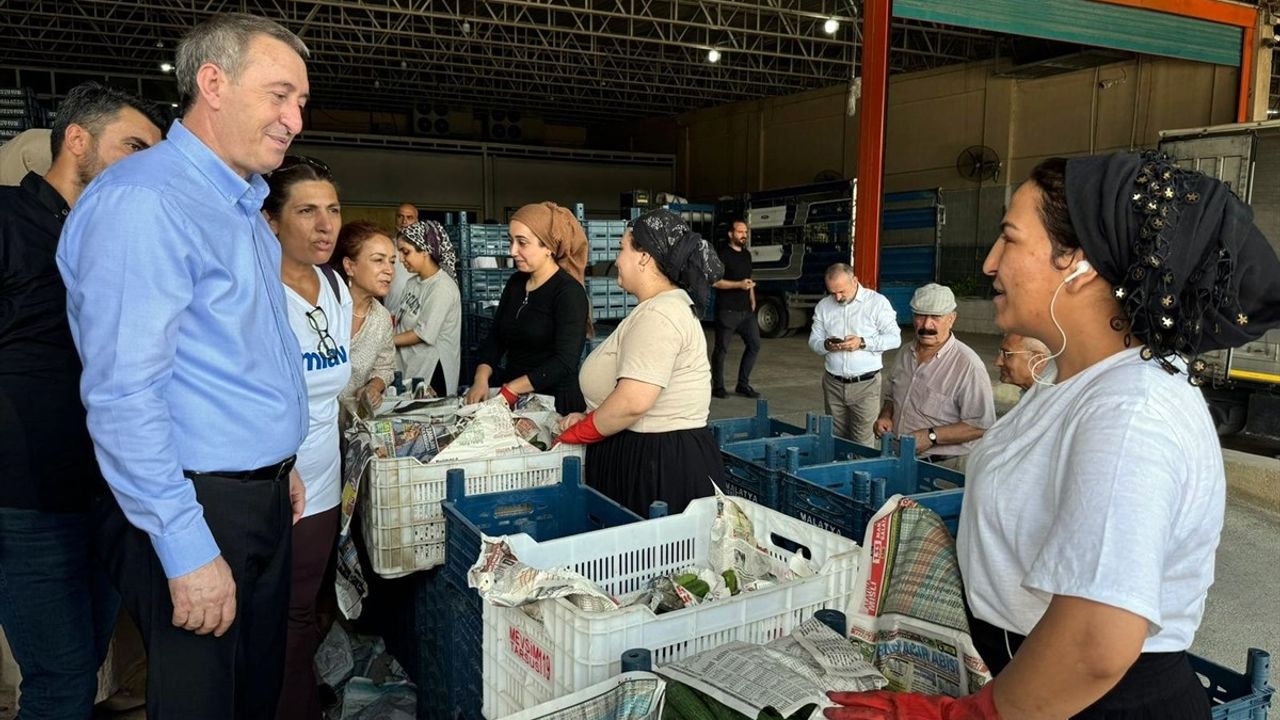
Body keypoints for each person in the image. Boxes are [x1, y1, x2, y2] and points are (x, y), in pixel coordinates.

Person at [831, 152, 1280, 719]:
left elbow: (1096, 641)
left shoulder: (1130, 411)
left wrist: (966, 717)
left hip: (1084, 701)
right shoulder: (1069, 381)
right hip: (1029, 683)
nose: (991, 263)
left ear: (1080, 264)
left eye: (1010, 239)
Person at [55, 13, 311, 719]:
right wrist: (185, 545)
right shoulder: (147, 201)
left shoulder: (239, 206)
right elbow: (124, 392)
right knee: (202, 701)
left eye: (301, 103)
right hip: (194, 504)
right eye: (280, 95)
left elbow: (233, 357)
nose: (294, 119)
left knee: (252, 693)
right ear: (212, 84)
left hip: (251, 496)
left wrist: (276, 464)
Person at [0, 81, 163, 720]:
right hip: (29, 496)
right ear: (77, 140)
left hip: (107, 492)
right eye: (133, 146)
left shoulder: (113, 238)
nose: (145, 165)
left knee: (87, 659)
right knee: (60, 681)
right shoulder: (10, 220)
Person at [557, 208, 726, 517]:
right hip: (647, 454)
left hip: (658, 467)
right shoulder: (658, 309)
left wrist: (578, 433)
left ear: (645, 257)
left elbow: (633, 402)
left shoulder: (660, 315)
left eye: (622, 249)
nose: (618, 259)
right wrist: (589, 414)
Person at [263, 154, 351, 720]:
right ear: (271, 221)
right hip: (267, 477)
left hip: (321, 477)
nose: (325, 225)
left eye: (333, 210)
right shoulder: (258, 290)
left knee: (302, 611)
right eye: (306, 211)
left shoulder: (337, 287)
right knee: (271, 614)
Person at [464, 201, 590, 414]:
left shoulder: (568, 293)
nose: (512, 251)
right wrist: (480, 378)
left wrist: (513, 388)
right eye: (510, 241)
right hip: (513, 397)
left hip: (554, 403)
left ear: (548, 247)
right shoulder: (516, 283)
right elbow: (496, 338)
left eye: (522, 243)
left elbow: (564, 362)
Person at [873, 283, 994, 472]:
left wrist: (931, 436)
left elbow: (981, 425)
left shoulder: (968, 365)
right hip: (899, 460)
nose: (926, 325)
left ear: (952, 318)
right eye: (920, 316)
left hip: (943, 468)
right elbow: (891, 397)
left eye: (936, 317)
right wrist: (885, 416)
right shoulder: (905, 353)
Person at [808, 263, 902, 446]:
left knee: (862, 441)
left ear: (855, 281)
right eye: (832, 292)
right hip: (833, 384)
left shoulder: (876, 303)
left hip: (865, 386)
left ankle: (861, 474)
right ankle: (839, 474)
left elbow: (894, 338)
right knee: (835, 438)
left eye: (841, 291)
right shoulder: (824, 306)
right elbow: (814, 341)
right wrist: (826, 344)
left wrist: (863, 343)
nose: (837, 297)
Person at [332, 220, 397, 423]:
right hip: (314, 428)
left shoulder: (381, 318)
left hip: (351, 425)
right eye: (379, 260)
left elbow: (385, 366)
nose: (389, 270)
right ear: (350, 266)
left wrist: (374, 386)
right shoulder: (325, 309)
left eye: (392, 261)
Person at [394, 220, 462, 397]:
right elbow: (401, 318)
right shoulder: (412, 282)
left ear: (425, 250)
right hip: (410, 364)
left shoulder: (441, 288)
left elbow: (422, 334)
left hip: (431, 371)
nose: (401, 259)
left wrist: (384, 341)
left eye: (406, 252)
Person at [710, 218, 761, 399]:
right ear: (731, 234)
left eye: (745, 232)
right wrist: (738, 285)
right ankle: (718, 387)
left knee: (754, 345)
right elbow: (715, 282)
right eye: (740, 232)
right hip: (727, 311)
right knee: (721, 349)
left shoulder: (746, 255)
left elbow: (749, 279)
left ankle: (743, 384)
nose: (744, 235)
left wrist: (752, 298)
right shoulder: (722, 255)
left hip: (746, 311)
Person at [383, 201, 419, 316]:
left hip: (416, 315)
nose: (404, 222)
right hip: (390, 313)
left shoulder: (426, 250)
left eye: (409, 217)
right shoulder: (386, 246)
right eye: (400, 217)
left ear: (417, 222)